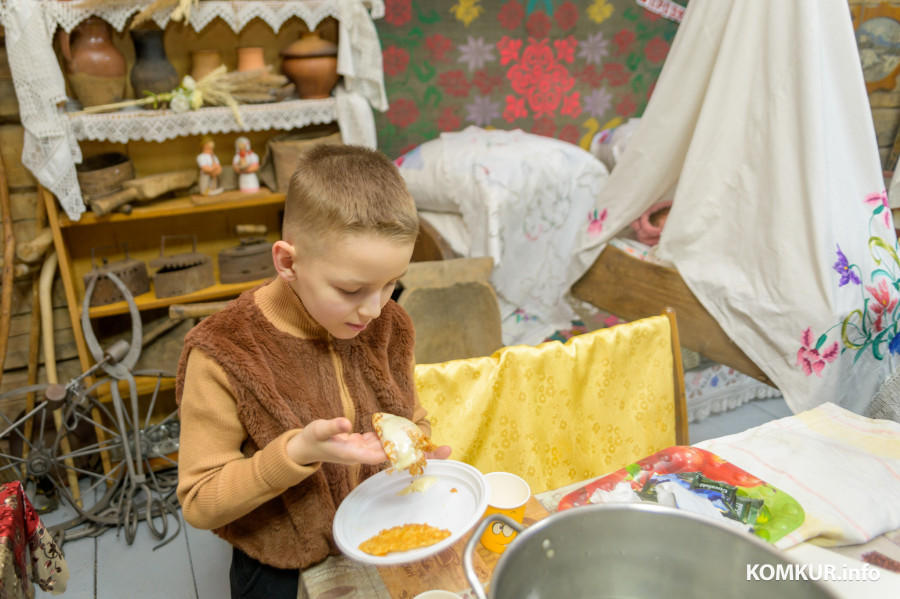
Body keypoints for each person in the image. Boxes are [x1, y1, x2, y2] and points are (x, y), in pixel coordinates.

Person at [176, 144, 451, 599]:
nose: (373, 308)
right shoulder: (223, 352)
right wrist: (297, 453)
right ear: (287, 262)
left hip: (379, 535)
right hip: (281, 568)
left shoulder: (391, 324)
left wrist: (416, 447)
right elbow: (201, 501)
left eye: (391, 283)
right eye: (350, 288)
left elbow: (411, 414)